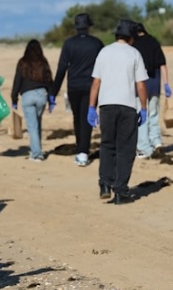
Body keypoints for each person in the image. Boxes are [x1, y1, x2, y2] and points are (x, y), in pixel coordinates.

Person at [87, 19, 148, 205]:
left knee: (107, 146)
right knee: (126, 149)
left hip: (106, 106)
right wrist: (144, 108)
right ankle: (120, 191)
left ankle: (105, 184)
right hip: (127, 106)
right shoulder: (134, 54)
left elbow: (96, 82)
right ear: (130, 37)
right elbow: (140, 85)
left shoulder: (104, 52)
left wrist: (91, 107)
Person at [50, 13, 104, 167]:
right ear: (88, 27)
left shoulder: (69, 44)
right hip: (91, 86)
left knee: (77, 118)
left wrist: (54, 92)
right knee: (87, 117)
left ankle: (81, 149)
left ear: (76, 27)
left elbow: (61, 69)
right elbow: (104, 66)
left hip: (73, 86)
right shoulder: (96, 43)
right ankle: (83, 151)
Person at [132, 23, 172, 159]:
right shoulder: (154, 42)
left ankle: (144, 147)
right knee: (153, 114)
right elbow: (162, 64)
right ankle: (156, 142)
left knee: (141, 115)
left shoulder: (134, 46)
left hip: (139, 86)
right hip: (155, 84)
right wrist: (166, 84)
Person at [11, 39, 54, 161]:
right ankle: (37, 149)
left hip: (27, 96)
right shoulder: (43, 62)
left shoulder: (22, 62)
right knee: (37, 124)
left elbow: (17, 81)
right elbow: (49, 81)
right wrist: (51, 100)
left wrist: (14, 99)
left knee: (32, 126)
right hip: (42, 95)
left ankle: (36, 154)